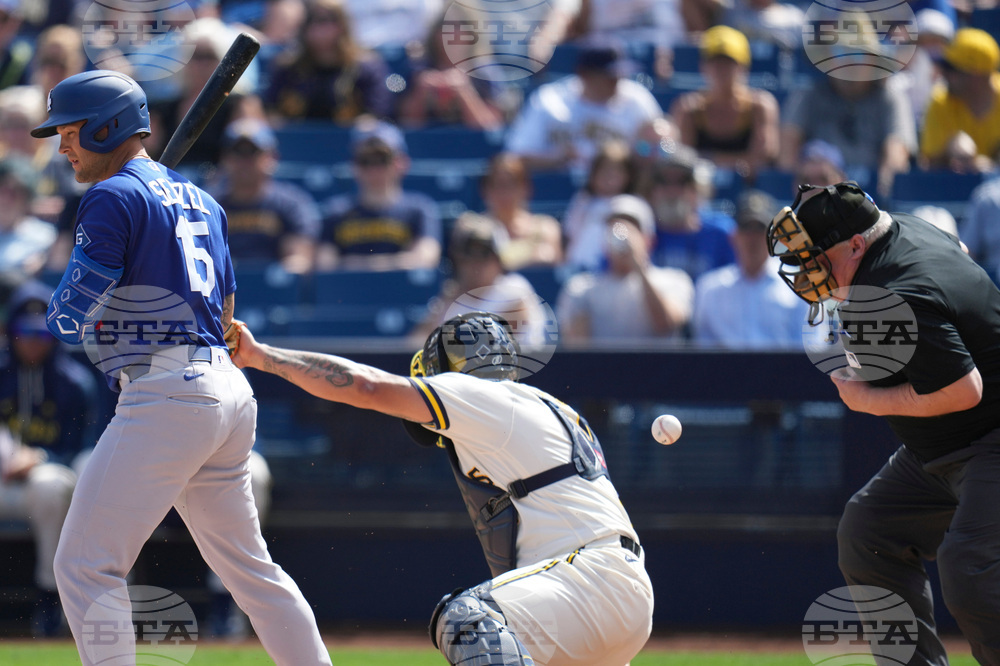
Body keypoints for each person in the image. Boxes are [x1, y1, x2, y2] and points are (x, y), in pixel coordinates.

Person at [33, 70, 330, 664]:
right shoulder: (204, 199)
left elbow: (65, 319)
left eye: (69, 132)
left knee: (86, 566)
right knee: (252, 573)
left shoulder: (112, 196)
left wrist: (103, 302)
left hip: (167, 391)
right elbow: (226, 313)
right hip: (224, 388)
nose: (62, 146)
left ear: (105, 127)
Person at [225, 310, 654, 665]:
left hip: (589, 579)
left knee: (466, 618)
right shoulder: (545, 408)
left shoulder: (486, 396)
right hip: (601, 590)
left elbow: (367, 387)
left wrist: (262, 357)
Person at [766, 181, 1000, 664]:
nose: (806, 266)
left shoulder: (895, 290)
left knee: (970, 568)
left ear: (855, 243)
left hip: (989, 438)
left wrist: (870, 400)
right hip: (941, 450)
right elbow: (956, 249)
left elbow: (964, 390)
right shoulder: (898, 232)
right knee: (868, 535)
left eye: (815, 253)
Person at [0, 280, 89, 637]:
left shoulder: (74, 382)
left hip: (44, 487)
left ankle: (50, 596)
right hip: (3, 482)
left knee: (51, 485)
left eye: (42, 332)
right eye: (24, 331)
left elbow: (82, 447)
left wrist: (39, 456)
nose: (33, 341)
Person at [504, 36, 662, 173]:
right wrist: (558, 159)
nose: (617, 81)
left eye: (619, 74)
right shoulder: (549, 100)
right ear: (584, 75)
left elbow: (664, 147)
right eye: (609, 76)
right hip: (562, 191)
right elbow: (514, 159)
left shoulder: (637, 98)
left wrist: (633, 155)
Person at [557, 193, 693, 344]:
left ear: (649, 240)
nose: (621, 236)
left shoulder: (675, 280)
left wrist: (637, 264)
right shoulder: (580, 288)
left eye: (630, 229)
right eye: (613, 229)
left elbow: (665, 325)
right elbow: (577, 348)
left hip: (660, 367)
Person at [409, 213, 551, 350]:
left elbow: (488, 347)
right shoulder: (450, 296)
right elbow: (416, 343)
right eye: (468, 254)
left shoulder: (514, 289)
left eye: (484, 254)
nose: (475, 263)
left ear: (498, 259)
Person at [317, 119, 442, 271]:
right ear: (353, 165)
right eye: (366, 161)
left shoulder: (419, 209)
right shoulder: (335, 212)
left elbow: (426, 258)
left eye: (382, 159)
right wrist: (396, 263)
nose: (374, 169)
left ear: (402, 163)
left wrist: (359, 264)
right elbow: (324, 265)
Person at [691, 189, 808, 348]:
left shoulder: (800, 285)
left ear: (774, 237)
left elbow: (810, 349)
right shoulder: (710, 288)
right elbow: (702, 350)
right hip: (725, 371)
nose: (752, 238)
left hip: (782, 371)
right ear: (734, 236)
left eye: (760, 229)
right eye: (747, 229)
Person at [779, 71, 915, 199]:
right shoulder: (807, 94)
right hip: (815, 193)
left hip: (873, 198)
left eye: (858, 55)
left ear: (873, 60)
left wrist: (883, 192)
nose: (849, 63)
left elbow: (897, 154)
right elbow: (787, 154)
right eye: (840, 54)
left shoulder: (891, 98)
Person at [210, 117, 320, 274]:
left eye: (252, 152)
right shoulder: (209, 205)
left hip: (274, 294)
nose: (244, 161)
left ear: (271, 157)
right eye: (237, 152)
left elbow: (300, 258)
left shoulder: (291, 203)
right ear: (225, 158)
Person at [669, 25, 779, 180]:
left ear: (743, 67)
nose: (721, 70)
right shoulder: (688, 109)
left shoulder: (760, 106)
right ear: (704, 67)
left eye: (729, 63)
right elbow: (684, 161)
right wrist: (737, 162)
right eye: (715, 62)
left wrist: (708, 160)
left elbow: (761, 160)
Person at [263, 0, 393, 124]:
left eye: (323, 20)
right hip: (295, 144)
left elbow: (377, 114)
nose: (315, 27)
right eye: (309, 20)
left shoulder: (366, 68)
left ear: (342, 24)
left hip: (348, 144)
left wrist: (365, 123)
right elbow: (271, 111)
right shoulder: (287, 68)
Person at [642, 143, 735, 281]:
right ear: (652, 190)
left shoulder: (721, 234)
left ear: (697, 188)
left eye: (682, 181)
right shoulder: (642, 234)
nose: (672, 191)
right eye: (663, 181)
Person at [920, 28, 1000, 171]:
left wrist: (993, 168)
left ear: (976, 75)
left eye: (951, 69)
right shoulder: (940, 101)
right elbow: (928, 166)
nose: (943, 74)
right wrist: (947, 154)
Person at [563, 138, 641, 272]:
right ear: (593, 174)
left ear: (628, 176)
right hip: (579, 270)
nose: (609, 177)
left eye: (616, 171)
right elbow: (570, 235)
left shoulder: (634, 204)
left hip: (616, 273)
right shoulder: (582, 200)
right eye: (604, 171)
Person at [477, 152, 564, 270]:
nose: (504, 192)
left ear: (526, 188)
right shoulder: (473, 227)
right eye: (498, 185)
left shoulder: (546, 227)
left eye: (511, 185)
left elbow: (552, 260)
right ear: (485, 190)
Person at [0, 156, 57, 278]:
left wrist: (43, 263)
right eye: (2, 190)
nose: (6, 199)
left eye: (15, 192)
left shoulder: (45, 238)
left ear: (27, 198)